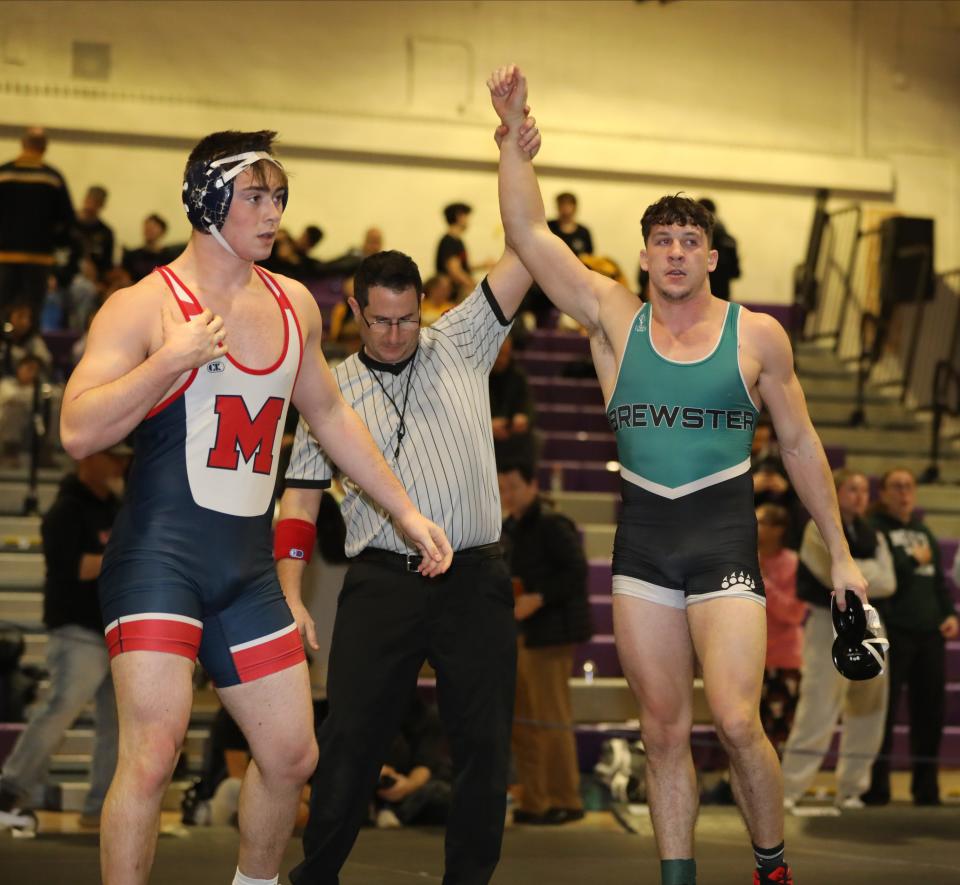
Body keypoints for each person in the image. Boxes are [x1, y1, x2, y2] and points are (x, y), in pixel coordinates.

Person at [489, 64, 867, 885]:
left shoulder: (758, 336)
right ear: (645, 254)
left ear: (713, 257)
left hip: (723, 537)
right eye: (662, 240)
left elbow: (800, 446)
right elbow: (528, 234)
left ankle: (771, 867)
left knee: (734, 719)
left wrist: (837, 550)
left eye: (689, 241)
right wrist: (513, 136)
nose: (675, 252)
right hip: (645, 547)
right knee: (661, 731)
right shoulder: (613, 318)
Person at [59, 129, 452, 885]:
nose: (273, 214)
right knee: (152, 753)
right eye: (256, 197)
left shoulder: (294, 303)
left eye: (280, 197)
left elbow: (332, 417)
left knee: (292, 754)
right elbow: (78, 430)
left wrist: (404, 509)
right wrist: (168, 362)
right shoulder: (143, 305)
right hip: (158, 561)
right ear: (208, 201)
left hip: (244, 568)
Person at [276, 116, 541, 885]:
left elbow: (524, 247)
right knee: (351, 740)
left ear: (423, 303)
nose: (395, 334)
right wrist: (292, 593)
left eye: (406, 317)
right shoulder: (329, 390)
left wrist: (511, 155)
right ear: (355, 311)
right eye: (379, 320)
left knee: (485, 745)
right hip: (382, 583)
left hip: (475, 577)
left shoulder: (460, 339)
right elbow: (296, 500)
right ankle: (313, 877)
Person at [0, 446, 128, 834]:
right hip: (77, 630)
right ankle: (9, 789)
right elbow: (75, 567)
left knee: (117, 724)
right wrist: (124, 552)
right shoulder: (65, 511)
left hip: (113, 628)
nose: (117, 465)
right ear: (86, 459)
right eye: (110, 457)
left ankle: (101, 806)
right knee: (61, 708)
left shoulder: (116, 508)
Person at [781, 468, 896, 809]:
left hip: (871, 623)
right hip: (826, 620)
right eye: (851, 489)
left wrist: (852, 568)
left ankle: (852, 787)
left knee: (870, 705)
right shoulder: (816, 528)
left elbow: (889, 582)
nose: (859, 496)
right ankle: (789, 789)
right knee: (818, 703)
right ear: (835, 491)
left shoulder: (874, 533)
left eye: (864, 490)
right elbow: (828, 572)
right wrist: (861, 571)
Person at [499, 460, 592, 825]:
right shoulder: (509, 528)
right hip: (521, 635)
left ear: (532, 486)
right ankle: (535, 800)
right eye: (502, 487)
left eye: (513, 486)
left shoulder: (552, 524)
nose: (507, 494)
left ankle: (564, 798)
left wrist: (538, 597)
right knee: (523, 722)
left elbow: (577, 571)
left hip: (551, 635)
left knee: (550, 719)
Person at [862, 467, 959, 806]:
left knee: (930, 712)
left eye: (908, 486)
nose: (904, 492)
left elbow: (937, 582)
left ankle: (926, 788)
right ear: (883, 493)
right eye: (896, 486)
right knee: (883, 713)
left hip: (929, 633)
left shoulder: (923, 531)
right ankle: (875, 787)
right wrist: (907, 558)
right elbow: (879, 578)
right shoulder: (874, 530)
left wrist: (949, 613)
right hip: (893, 630)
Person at [0, 126, 76, 320]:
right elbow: (67, 220)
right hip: (38, 258)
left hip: (4, 256)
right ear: (44, 148)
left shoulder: (4, 174)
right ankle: (29, 347)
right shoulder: (52, 177)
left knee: (2, 306)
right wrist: (54, 242)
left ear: (23, 144)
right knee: (32, 310)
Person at [755, 504, 803, 757]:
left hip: (784, 659)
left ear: (779, 529)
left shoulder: (793, 563)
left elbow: (794, 612)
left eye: (762, 522)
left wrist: (763, 582)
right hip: (747, 658)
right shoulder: (740, 558)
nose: (756, 527)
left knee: (780, 735)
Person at [697, 198, 740, 302]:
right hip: (723, 291)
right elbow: (736, 272)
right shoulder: (728, 238)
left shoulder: (698, 235)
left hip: (702, 289)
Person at [71, 185, 115, 279]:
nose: (91, 206)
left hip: (91, 281)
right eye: (90, 200)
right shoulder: (68, 224)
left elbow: (107, 266)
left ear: (102, 205)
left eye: (96, 203)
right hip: (64, 276)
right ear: (85, 199)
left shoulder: (106, 233)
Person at [436, 202, 475, 298]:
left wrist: (483, 265)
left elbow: (462, 266)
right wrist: (474, 286)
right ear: (459, 216)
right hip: (453, 296)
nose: (468, 221)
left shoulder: (457, 241)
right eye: (466, 216)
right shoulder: (449, 241)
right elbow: (455, 271)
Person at [122, 214, 170, 283]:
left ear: (162, 232)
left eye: (154, 227)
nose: (149, 229)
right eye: (147, 226)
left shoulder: (169, 258)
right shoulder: (131, 256)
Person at [548, 192, 593, 257]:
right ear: (557, 206)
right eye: (562, 204)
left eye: (569, 204)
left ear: (575, 207)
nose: (565, 208)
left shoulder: (583, 232)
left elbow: (589, 257)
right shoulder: (548, 227)